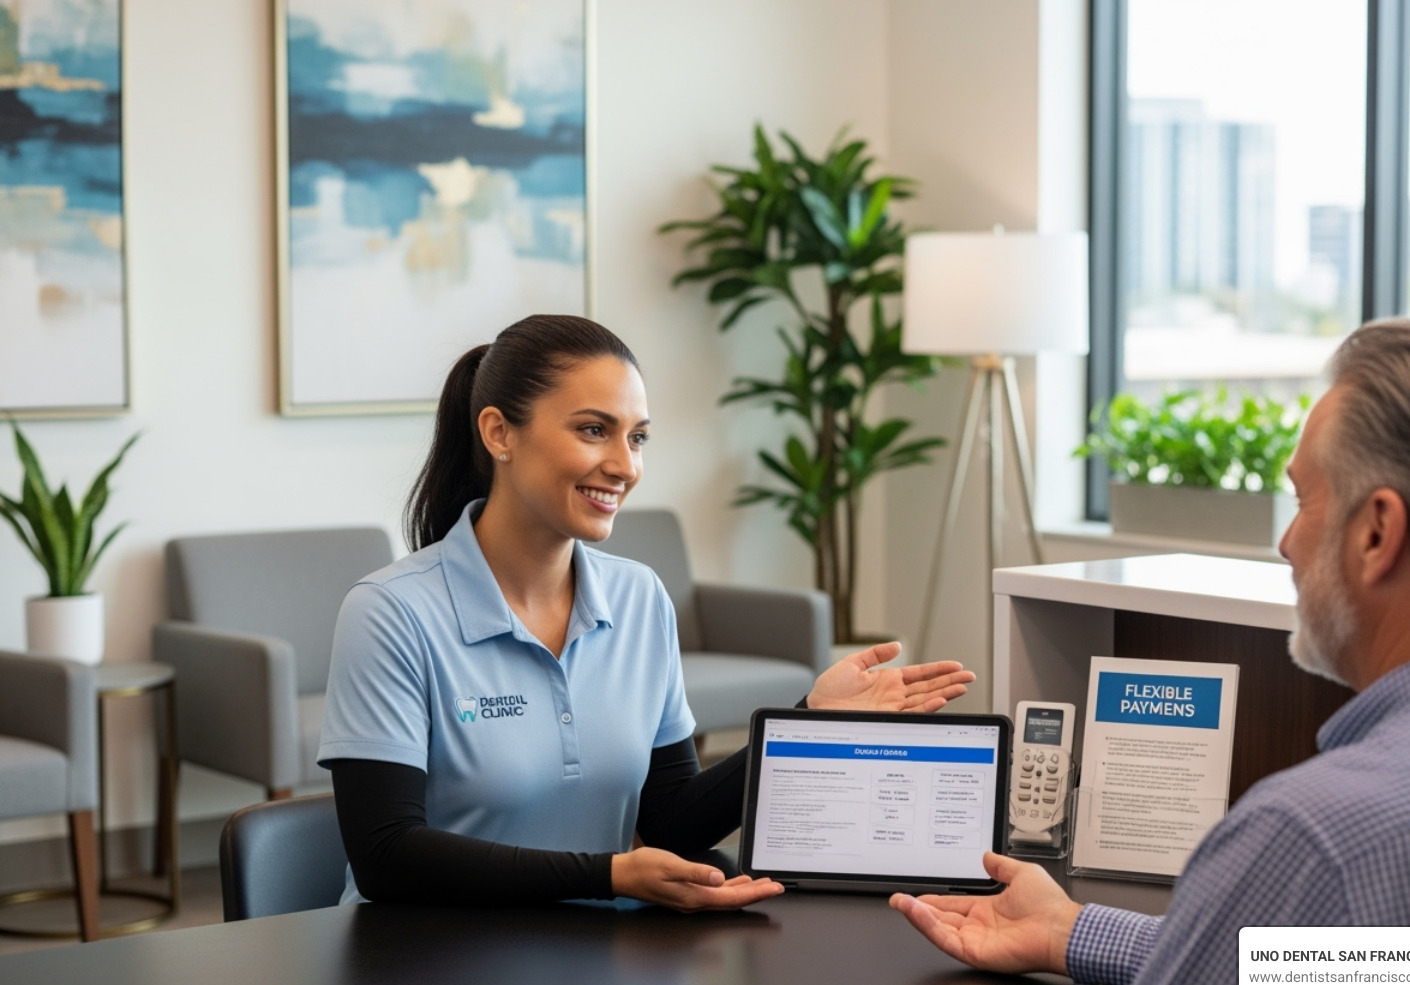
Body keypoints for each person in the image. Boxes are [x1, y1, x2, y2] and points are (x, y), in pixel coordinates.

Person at [846, 318, 1410, 985]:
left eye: (1301, 502)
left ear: (1378, 532)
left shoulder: (1317, 838)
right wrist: (1070, 931)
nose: (1287, 544)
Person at [318, 314, 975, 913]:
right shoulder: (390, 613)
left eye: (638, 437)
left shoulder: (638, 598)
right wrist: (607, 875)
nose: (625, 465)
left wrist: (810, 724)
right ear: (499, 433)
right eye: (593, 430)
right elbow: (386, 858)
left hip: (584, 956)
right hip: (418, 958)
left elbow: (671, 822)